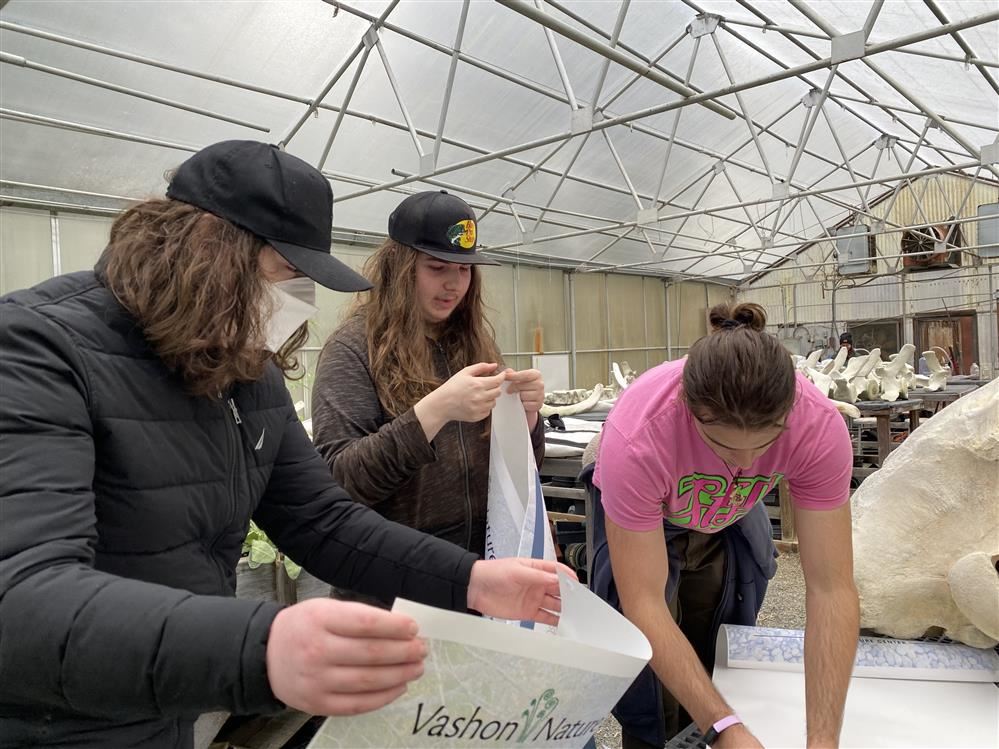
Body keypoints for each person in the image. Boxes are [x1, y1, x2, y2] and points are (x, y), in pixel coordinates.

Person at [0, 141, 567, 749]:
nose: (299, 301)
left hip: (166, 707)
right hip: (53, 722)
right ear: (212, 251)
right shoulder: (39, 349)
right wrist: (263, 645)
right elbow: (23, 596)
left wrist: (472, 579)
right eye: (290, 273)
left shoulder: (244, 371)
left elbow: (321, 519)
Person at [591, 303, 858, 748]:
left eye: (767, 442)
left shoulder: (818, 427)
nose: (749, 462)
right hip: (643, 498)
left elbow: (831, 588)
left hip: (725, 506)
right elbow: (646, 603)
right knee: (643, 679)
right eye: (723, 445)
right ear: (689, 412)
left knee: (722, 623)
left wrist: (824, 738)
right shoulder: (638, 439)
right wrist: (724, 728)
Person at [311, 190, 545, 558]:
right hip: (392, 582)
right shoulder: (353, 350)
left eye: (464, 269)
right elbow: (340, 481)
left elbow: (512, 478)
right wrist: (432, 413)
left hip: (478, 574)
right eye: (437, 268)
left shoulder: (474, 343)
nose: (454, 284)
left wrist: (528, 422)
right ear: (399, 268)